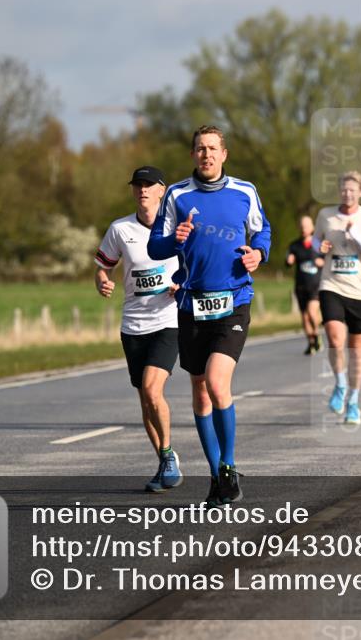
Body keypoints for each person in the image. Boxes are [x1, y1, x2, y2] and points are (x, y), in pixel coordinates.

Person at [148, 125, 271, 507]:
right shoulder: (177, 195)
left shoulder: (244, 191)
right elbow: (156, 245)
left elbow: (262, 230)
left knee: (218, 384)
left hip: (234, 300)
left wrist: (258, 254)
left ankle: (230, 467)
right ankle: (216, 472)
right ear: (193, 155)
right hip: (191, 304)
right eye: (200, 149)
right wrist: (175, 240)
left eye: (213, 149)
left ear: (224, 154)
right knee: (200, 392)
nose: (207, 155)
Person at [95, 166, 183, 493]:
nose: (142, 190)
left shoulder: (178, 225)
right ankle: (164, 457)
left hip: (167, 320)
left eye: (149, 185)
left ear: (162, 190)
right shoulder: (120, 229)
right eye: (137, 185)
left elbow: (196, 262)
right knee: (145, 400)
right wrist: (103, 282)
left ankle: (168, 458)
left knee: (151, 388)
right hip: (132, 324)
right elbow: (103, 266)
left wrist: (182, 284)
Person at [315, 171, 361, 424]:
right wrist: (319, 247)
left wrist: (356, 236)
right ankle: (341, 384)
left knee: (356, 350)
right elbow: (316, 241)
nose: (347, 194)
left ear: (360, 192)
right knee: (334, 337)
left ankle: (354, 401)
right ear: (339, 191)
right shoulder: (326, 215)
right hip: (332, 285)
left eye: (352, 190)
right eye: (344, 190)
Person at [285, 215, 324, 355]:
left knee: (312, 313)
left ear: (312, 227)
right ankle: (311, 342)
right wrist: (289, 260)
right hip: (301, 286)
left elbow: (329, 260)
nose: (303, 228)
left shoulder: (319, 244)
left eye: (306, 226)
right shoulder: (294, 245)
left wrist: (322, 263)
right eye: (301, 226)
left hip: (315, 285)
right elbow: (287, 261)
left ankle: (317, 334)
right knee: (304, 317)